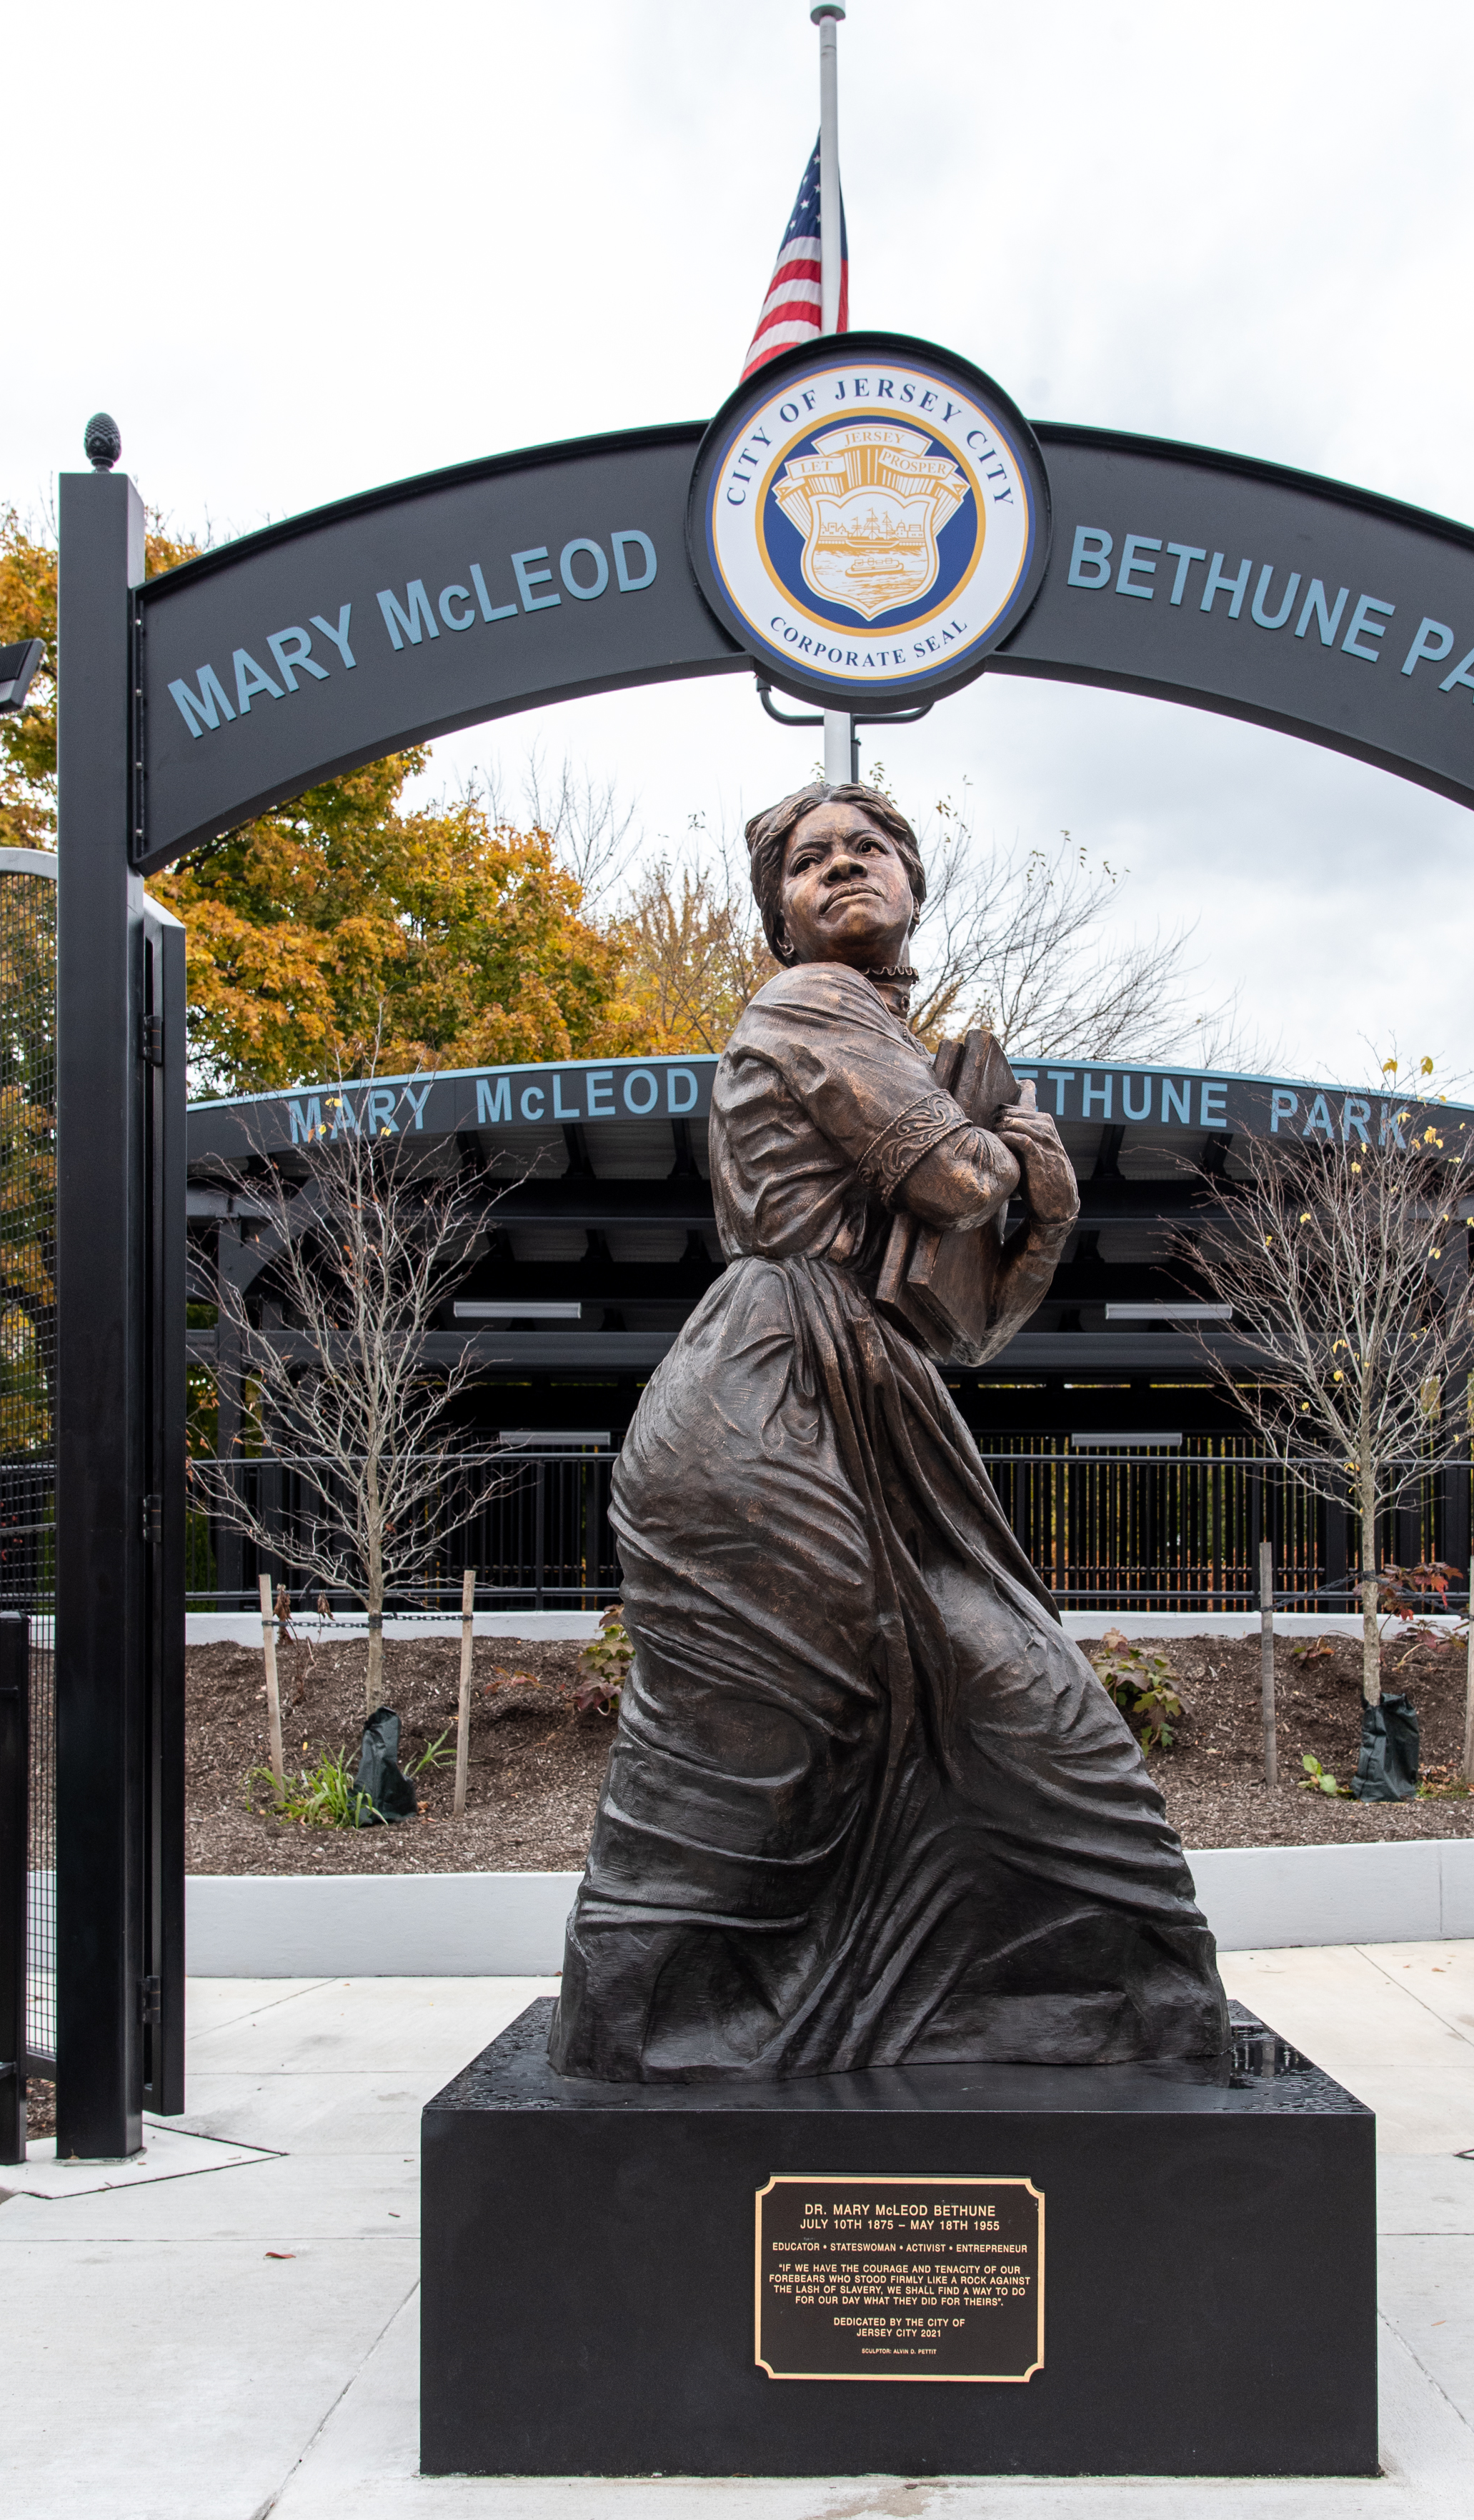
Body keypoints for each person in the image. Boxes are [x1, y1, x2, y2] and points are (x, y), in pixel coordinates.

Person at [549, 781, 1227, 2082]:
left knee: (1012, 1700)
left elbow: (962, 1325)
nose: (844, 869)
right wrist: (1016, 1152)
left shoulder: (887, 1034)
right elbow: (956, 1179)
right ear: (781, 918)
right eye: (812, 861)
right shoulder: (811, 1005)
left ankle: (1068, 1994)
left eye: (871, 851)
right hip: (764, 1403)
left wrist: (1037, 1182)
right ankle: (652, 2012)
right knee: (765, 1724)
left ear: (917, 887)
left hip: (871, 1389)